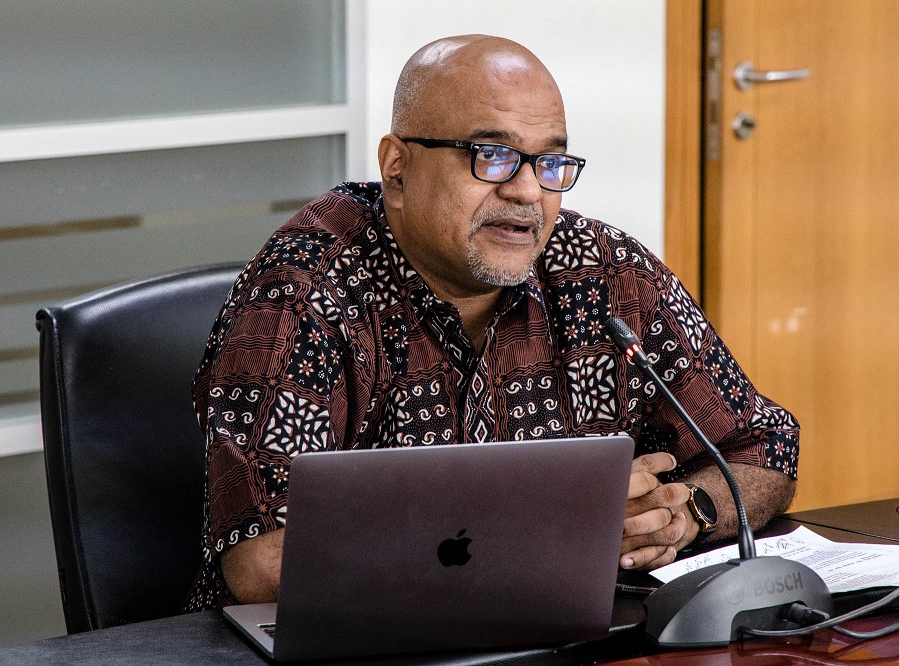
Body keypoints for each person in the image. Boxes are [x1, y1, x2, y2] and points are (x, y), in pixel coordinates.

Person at [183, 35, 799, 611]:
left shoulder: (603, 273)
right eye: (494, 156)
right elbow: (262, 565)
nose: (530, 192)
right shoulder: (301, 292)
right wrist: (554, 527)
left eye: (551, 163)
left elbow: (765, 447)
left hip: (564, 630)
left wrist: (685, 510)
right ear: (397, 167)